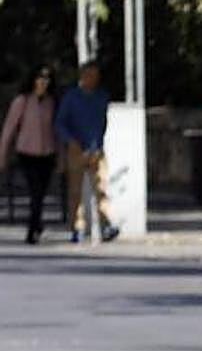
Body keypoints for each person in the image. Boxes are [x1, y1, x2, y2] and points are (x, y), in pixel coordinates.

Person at [55, 60, 118, 243]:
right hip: (76, 149)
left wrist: (98, 143)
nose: (93, 79)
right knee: (75, 191)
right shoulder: (71, 98)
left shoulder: (101, 97)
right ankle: (77, 227)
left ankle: (106, 225)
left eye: (96, 76)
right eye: (90, 75)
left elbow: (103, 123)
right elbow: (60, 123)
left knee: (101, 188)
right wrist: (70, 141)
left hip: (96, 149)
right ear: (82, 76)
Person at [1, 66, 58, 244]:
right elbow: (9, 129)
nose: (43, 82)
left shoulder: (52, 102)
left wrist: (61, 157)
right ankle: (32, 230)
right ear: (33, 80)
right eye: (40, 78)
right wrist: (2, 155)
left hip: (48, 153)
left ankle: (36, 224)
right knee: (35, 192)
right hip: (27, 152)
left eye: (47, 79)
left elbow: (57, 131)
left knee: (40, 194)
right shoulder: (22, 101)